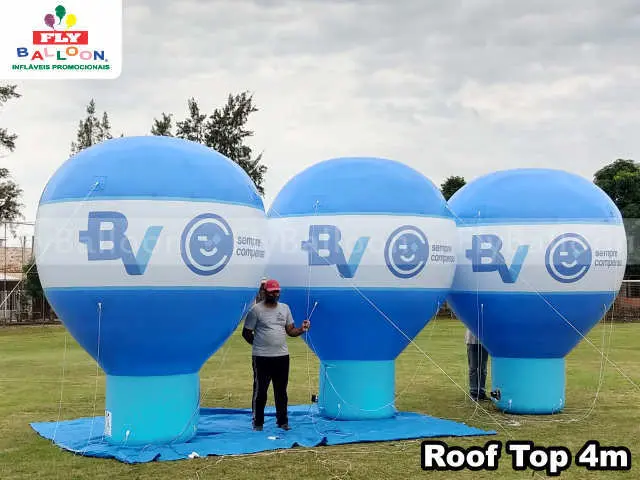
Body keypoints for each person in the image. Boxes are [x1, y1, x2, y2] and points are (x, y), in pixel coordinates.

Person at [242, 279, 310, 431]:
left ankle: (282, 422)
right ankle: (258, 422)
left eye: (277, 291)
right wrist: (259, 345)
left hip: (282, 357)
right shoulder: (256, 310)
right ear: (265, 292)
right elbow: (246, 333)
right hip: (261, 358)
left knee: (281, 392)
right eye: (272, 292)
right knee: (260, 391)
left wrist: (302, 329)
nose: (275, 294)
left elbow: (290, 330)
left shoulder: (285, 308)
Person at [466, 328, 489, 401]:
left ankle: (481, 393)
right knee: (473, 368)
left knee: (483, 368)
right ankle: (474, 392)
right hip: (472, 341)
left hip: (484, 341)